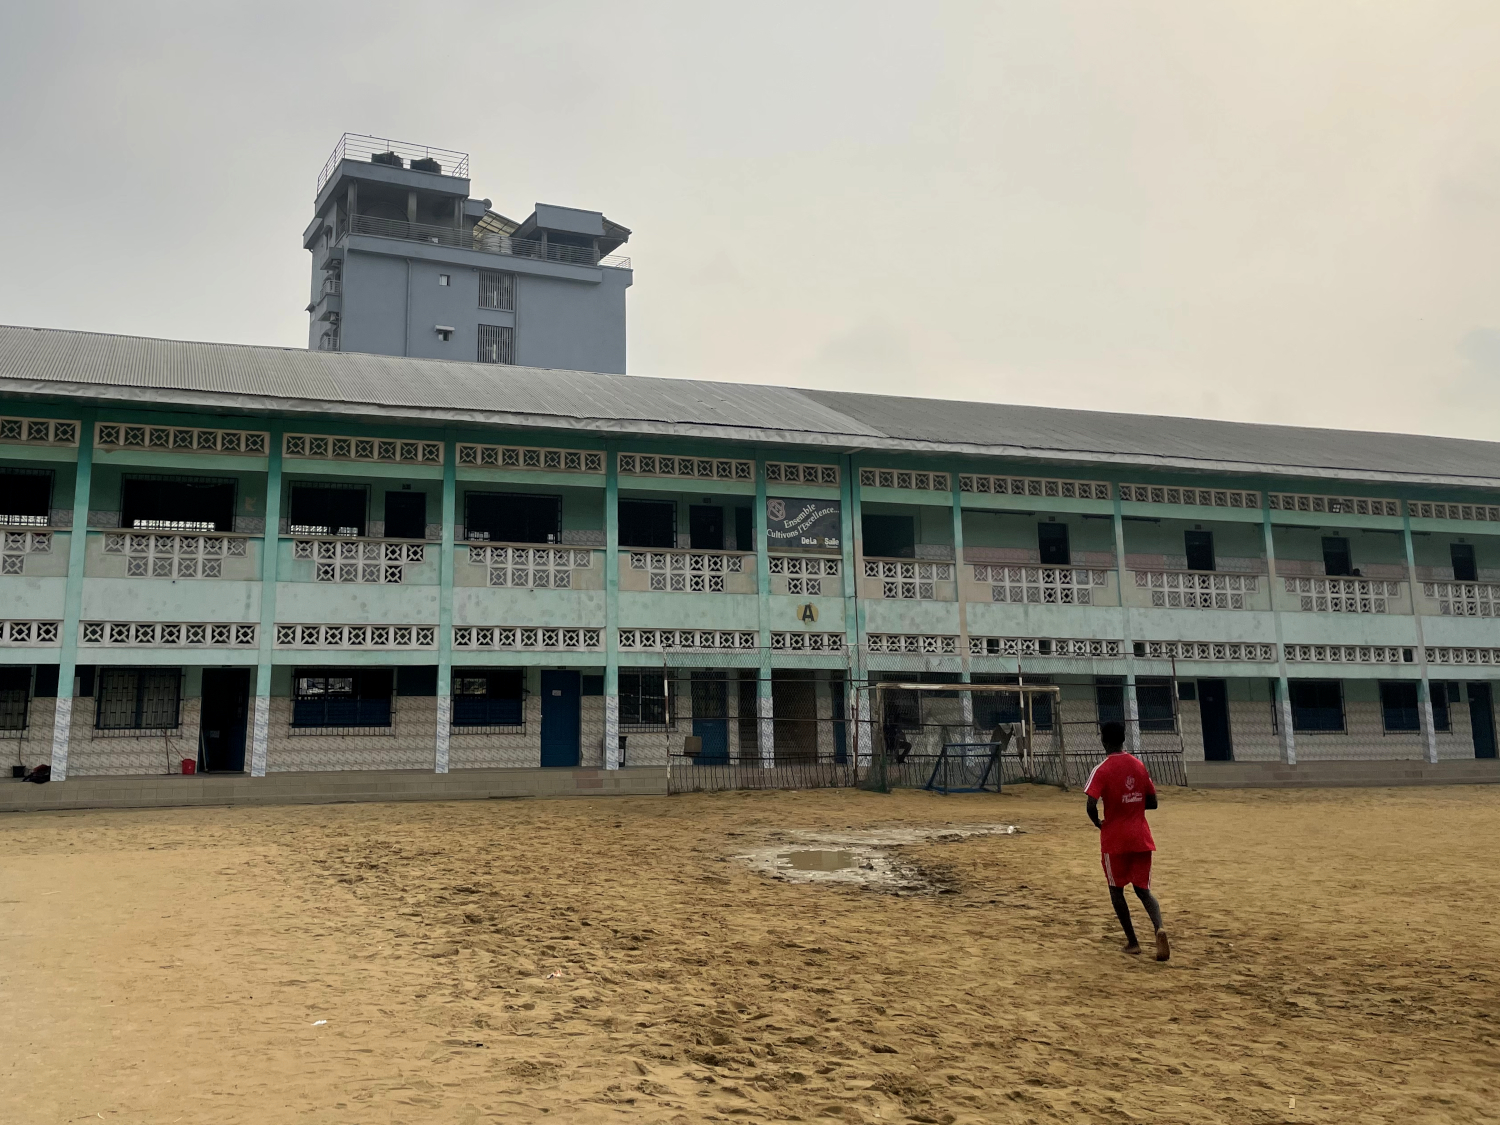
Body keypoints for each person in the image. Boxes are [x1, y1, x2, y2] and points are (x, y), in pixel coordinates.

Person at [1085, 720, 1169, 961]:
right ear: (1123, 739)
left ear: (1104, 740)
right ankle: (1158, 928)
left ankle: (1133, 942)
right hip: (1141, 836)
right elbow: (1152, 802)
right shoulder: (1138, 765)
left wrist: (1098, 822)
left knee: (1116, 890)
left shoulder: (1101, 769)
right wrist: (1132, 803)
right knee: (1143, 890)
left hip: (1115, 839)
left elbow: (1091, 804)